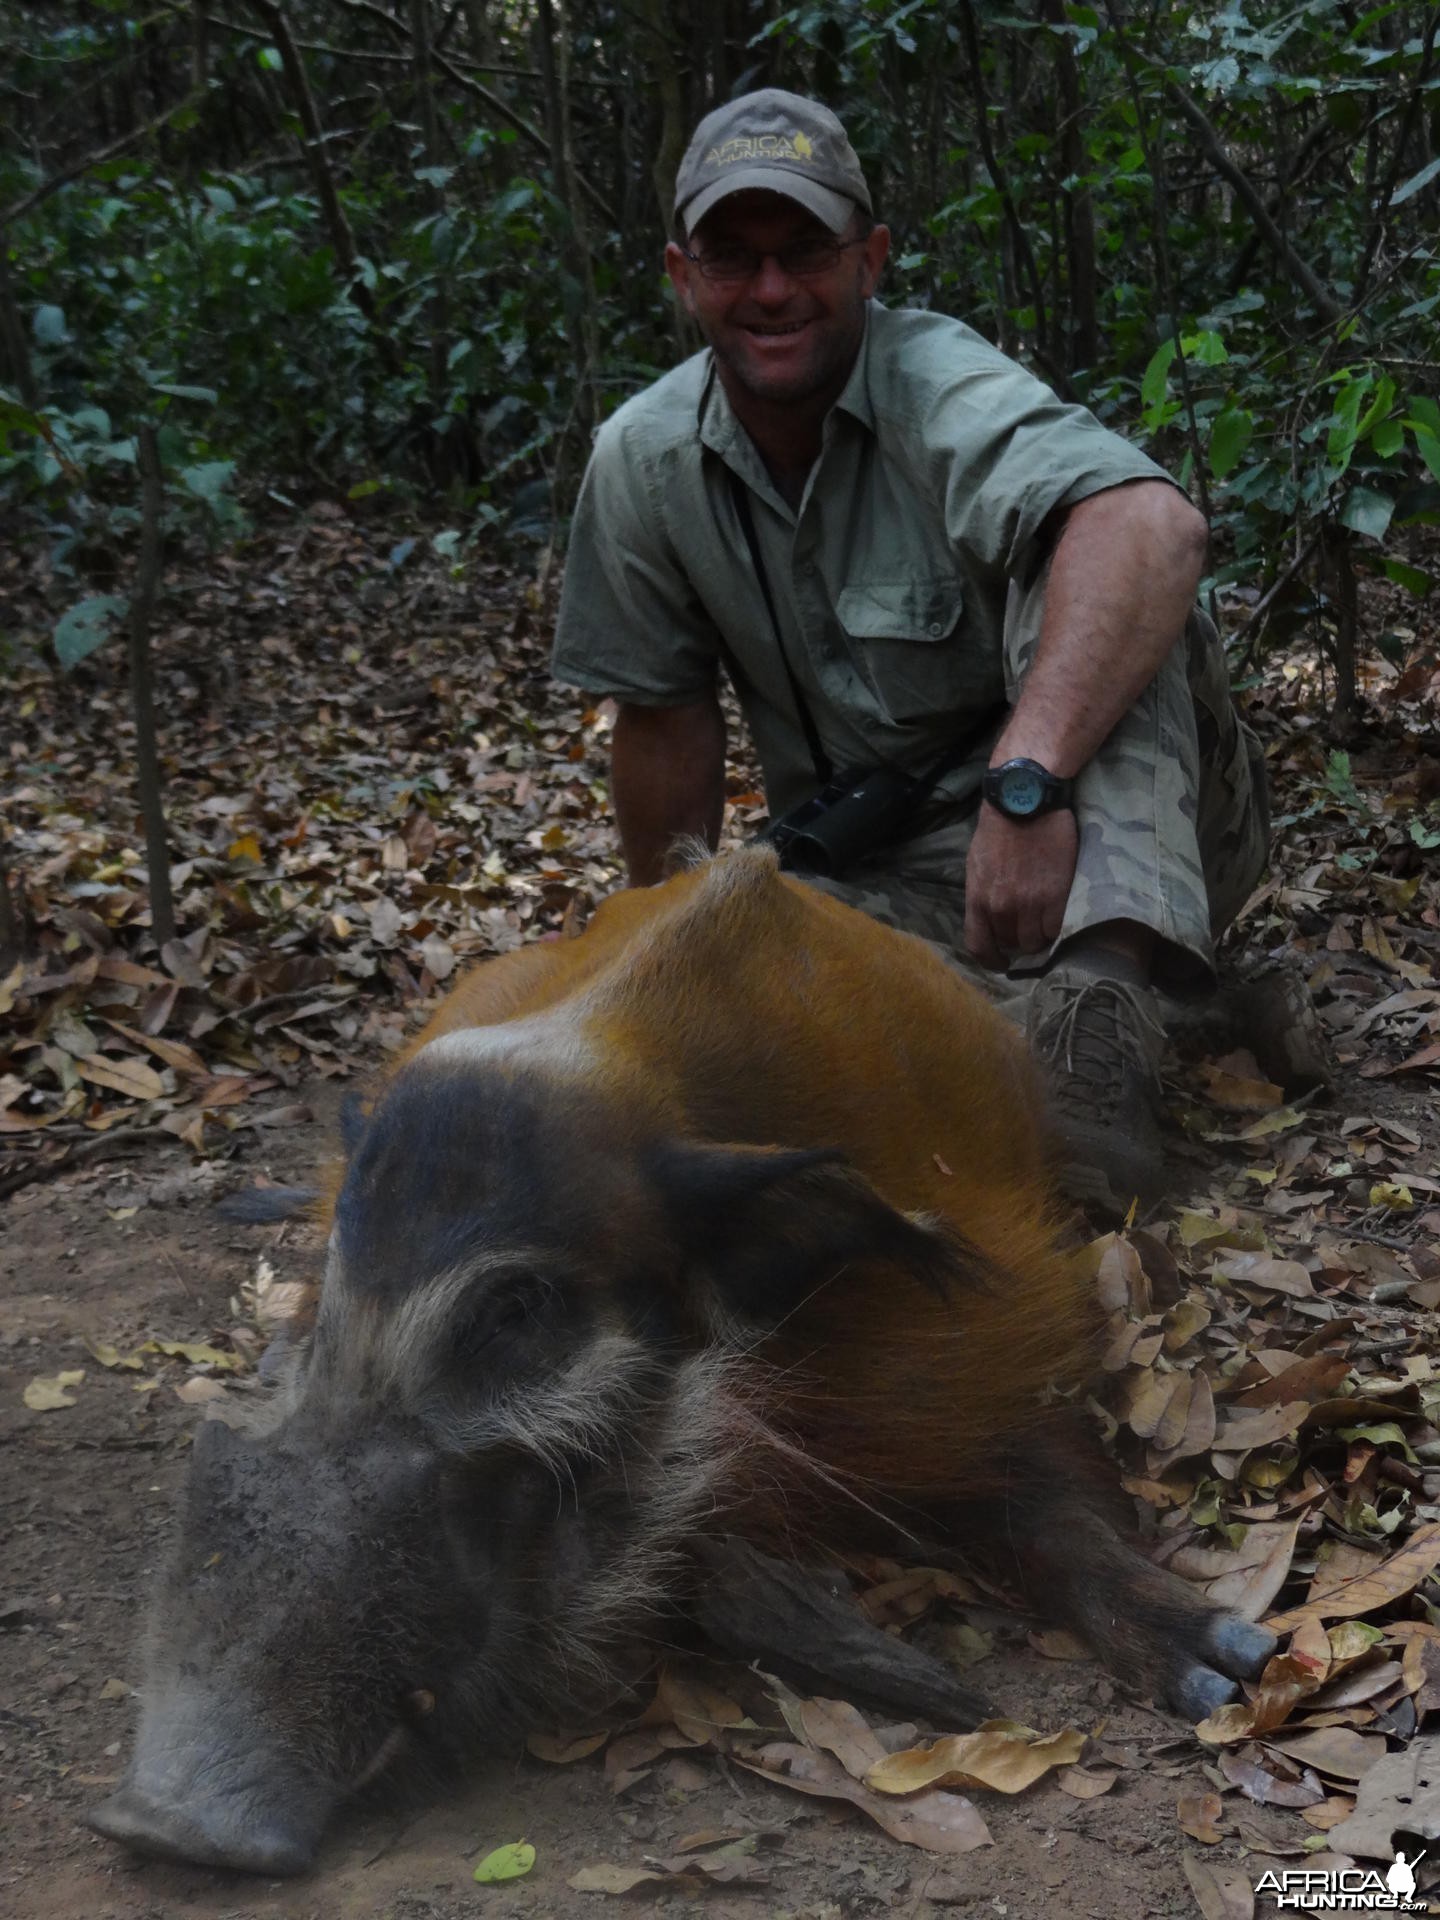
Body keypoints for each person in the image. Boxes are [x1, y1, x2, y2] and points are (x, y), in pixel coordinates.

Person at [551, 88, 1270, 1214]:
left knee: (1111, 574)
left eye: (806, 251)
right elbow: (661, 722)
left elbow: (1153, 528)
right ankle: (1198, 1016)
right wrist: (664, 953)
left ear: (871, 260)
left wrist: (1027, 786)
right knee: (745, 1018)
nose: (773, 290)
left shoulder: (941, 387)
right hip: (891, 866)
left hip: (1101, 830)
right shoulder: (641, 461)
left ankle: (1097, 1014)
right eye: (734, 258)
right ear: (681, 275)